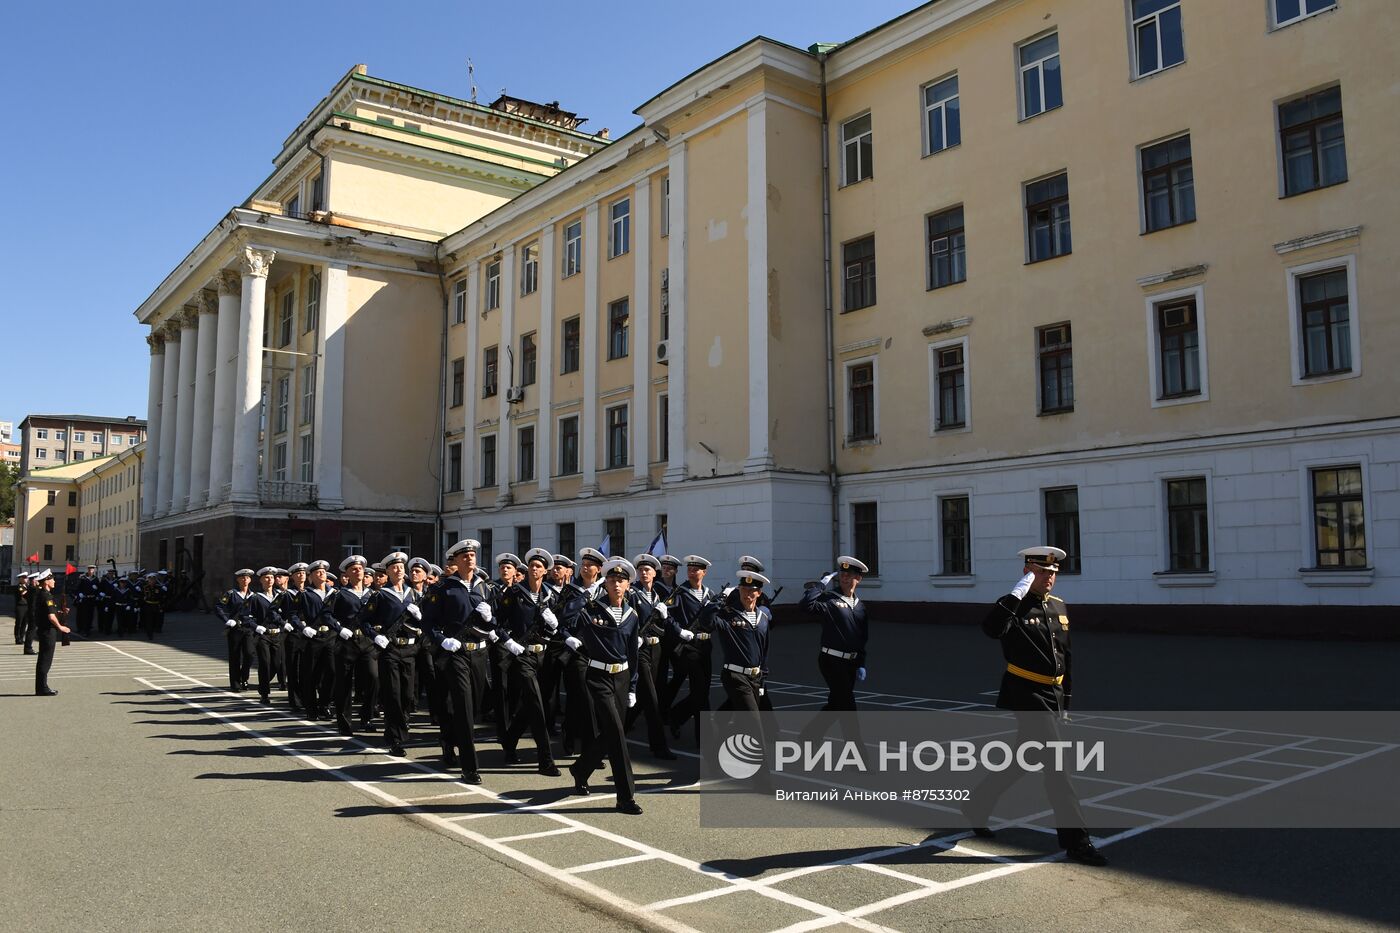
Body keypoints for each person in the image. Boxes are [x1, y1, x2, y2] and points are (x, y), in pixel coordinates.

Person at [964, 546, 1107, 867]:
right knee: (1057, 768)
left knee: (1025, 756)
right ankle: (1077, 841)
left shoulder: (1058, 606)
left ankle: (978, 803)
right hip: (1025, 691)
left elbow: (1065, 658)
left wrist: (1066, 701)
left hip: (1052, 693)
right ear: (1028, 571)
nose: (1049, 579)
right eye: (1043, 573)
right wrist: (1015, 596)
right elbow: (991, 629)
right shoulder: (1012, 605)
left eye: (1053, 574)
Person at [565, 558, 643, 815]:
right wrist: (583, 598)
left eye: (621, 580)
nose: (616, 584)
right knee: (618, 734)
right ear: (605, 583)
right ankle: (625, 796)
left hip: (621, 678)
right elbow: (567, 619)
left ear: (628, 585)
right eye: (611, 580)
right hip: (598, 677)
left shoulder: (632, 615)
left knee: (612, 732)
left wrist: (632, 686)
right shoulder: (592, 610)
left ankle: (580, 769)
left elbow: (633, 654)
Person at [423, 539, 496, 783]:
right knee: (464, 706)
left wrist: (490, 618)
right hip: (456, 654)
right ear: (455, 560)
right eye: (464, 556)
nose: (470, 559)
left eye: (472, 555)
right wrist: (442, 640)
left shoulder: (485, 588)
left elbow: (494, 623)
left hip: (480, 654)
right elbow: (428, 623)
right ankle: (470, 767)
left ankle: (449, 738)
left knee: (474, 707)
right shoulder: (443, 589)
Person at [496, 548, 562, 776]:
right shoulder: (514, 593)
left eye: (539, 566)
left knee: (533, 704)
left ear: (546, 571)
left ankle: (509, 739)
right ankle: (546, 760)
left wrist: (555, 626)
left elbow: (559, 627)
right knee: (535, 703)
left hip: (544, 655)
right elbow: (497, 623)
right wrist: (508, 642)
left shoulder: (551, 596)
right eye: (531, 565)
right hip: (522, 655)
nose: (534, 569)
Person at [356, 552, 421, 757]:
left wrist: (421, 616)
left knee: (408, 695)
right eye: (394, 567)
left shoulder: (415, 594)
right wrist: (376, 636)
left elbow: (428, 621)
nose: (399, 569)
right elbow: (363, 620)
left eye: (401, 566)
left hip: (410, 650)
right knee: (393, 694)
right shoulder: (381, 595)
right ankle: (395, 738)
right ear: (388, 572)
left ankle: (401, 726)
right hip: (390, 649)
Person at [624, 554, 678, 760]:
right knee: (652, 700)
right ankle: (659, 746)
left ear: (655, 573)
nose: (644, 573)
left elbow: (662, 626)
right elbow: (627, 618)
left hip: (656, 651)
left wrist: (664, 617)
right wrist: (633, 638)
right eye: (641, 570)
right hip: (640, 650)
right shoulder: (633, 593)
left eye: (648, 570)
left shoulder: (656, 595)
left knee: (642, 699)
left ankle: (612, 735)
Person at [800, 557, 870, 712]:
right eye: (842, 573)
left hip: (850, 663)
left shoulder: (860, 606)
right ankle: (853, 737)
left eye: (849, 574)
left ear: (858, 578)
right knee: (848, 705)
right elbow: (806, 606)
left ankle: (810, 734)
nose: (844, 577)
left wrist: (861, 662)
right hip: (832, 660)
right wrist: (820, 586)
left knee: (836, 704)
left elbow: (861, 637)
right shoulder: (830, 599)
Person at [701, 568, 775, 714]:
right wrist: (719, 599)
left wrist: (763, 676)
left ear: (759, 593)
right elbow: (706, 622)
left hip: (755, 677)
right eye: (743, 589)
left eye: (751, 590)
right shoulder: (728, 615)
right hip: (735, 676)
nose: (747, 594)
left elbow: (764, 648)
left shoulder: (763, 617)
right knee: (753, 720)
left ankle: (717, 727)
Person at [661, 555, 716, 742]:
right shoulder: (680, 592)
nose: (692, 572)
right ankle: (701, 735)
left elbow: (714, 620)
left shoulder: (709, 594)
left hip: (705, 646)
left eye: (696, 569)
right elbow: (667, 616)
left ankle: (678, 717)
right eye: (690, 569)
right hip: (688, 647)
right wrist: (679, 631)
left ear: (704, 572)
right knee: (699, 689)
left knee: (703, 691)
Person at [328, 555, 375, 736]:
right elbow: (326, 614)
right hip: (347, 643)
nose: (358, 571)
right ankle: (344, 722)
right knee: (345, 683)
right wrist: (339, 629)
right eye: (353, 569)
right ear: (346, 573)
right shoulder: (339, 594)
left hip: (367, 642)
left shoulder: (372, 594)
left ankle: (367, 717)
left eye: (361, 568)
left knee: (373, 677)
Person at [297, 560, 337, 718]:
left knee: (332, 671)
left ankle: (325, 704)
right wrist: (303, 627)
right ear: (311, 577)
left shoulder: (334, 593)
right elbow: (293, 615)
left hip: (330, 636)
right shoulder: (305, 594)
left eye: (323, 572)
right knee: (311, 674)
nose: (322, 574)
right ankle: (311, 708)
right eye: (317, 572)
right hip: (312, 637)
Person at [240, 568, 284, 703]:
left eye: (271, 577)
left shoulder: (281, 596)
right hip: (263, 635)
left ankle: (262, 685)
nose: (269, 580)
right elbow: (245, 616)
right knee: (265, 663)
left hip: (277, 635)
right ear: (261, 580)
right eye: (266, 577)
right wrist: (256, 626)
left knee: (277, 664)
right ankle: (264, 693)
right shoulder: (255, 598)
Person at [31, 570, 70, 696]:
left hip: (45, 630)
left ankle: (41, 687)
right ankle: (42, 688)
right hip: (48, 631)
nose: (54, 581)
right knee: (45, 660)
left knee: (44, 659)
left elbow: (50, 612)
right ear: (46, 581)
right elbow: (50, 616)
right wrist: (60, 627)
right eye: (52, 579)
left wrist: (61, 613)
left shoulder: (44, 594)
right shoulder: (46, 595)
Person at [215, 569, 255, 690]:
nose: (245, 580)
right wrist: (227, 620)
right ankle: (235, 684)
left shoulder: (254, 595)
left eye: (247, 578)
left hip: (248, 628)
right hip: (235, 628)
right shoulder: (231, 594)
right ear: (238, 580)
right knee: (235, 656)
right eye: (242, 577)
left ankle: (244, 676)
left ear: (250, 580)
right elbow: (218, 607)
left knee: (250, 654)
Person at [278, 563, 309, 709]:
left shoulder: (310, 592)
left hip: (309, 633)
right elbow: (273, 611)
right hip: (294, 633)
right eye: (298, 573)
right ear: (292, 577)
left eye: (303, 573)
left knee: (306, 668)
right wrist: (284, 623)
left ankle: (306, 697)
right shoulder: (287, 594)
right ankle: (295, 701)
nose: (301, 575)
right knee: (294, 668)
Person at [73, 565, 99, 636]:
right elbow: (78, 587)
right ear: (87, 569)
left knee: (90, 615)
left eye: (92, 569)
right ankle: (82, 629)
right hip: (84, 599)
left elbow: (99, 589)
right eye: (90, 569)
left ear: (94, 570)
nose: (91, 570)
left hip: (92, 599)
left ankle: (88, 629)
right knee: (83, 615)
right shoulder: (83, 578)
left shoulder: (96, 579)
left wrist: (96, 589)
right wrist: (79, 594)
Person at [96, 568, 119, 636]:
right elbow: (99, 589)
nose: (111, 575)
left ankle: (109, 628)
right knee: (105, 615)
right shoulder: (104, 581)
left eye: (112, 573)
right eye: (110, 573)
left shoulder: (116, 581)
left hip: (113, 600)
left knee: (111, 615)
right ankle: (105, 629)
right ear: (107, 574)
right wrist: (101, 594)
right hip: (105, 600)